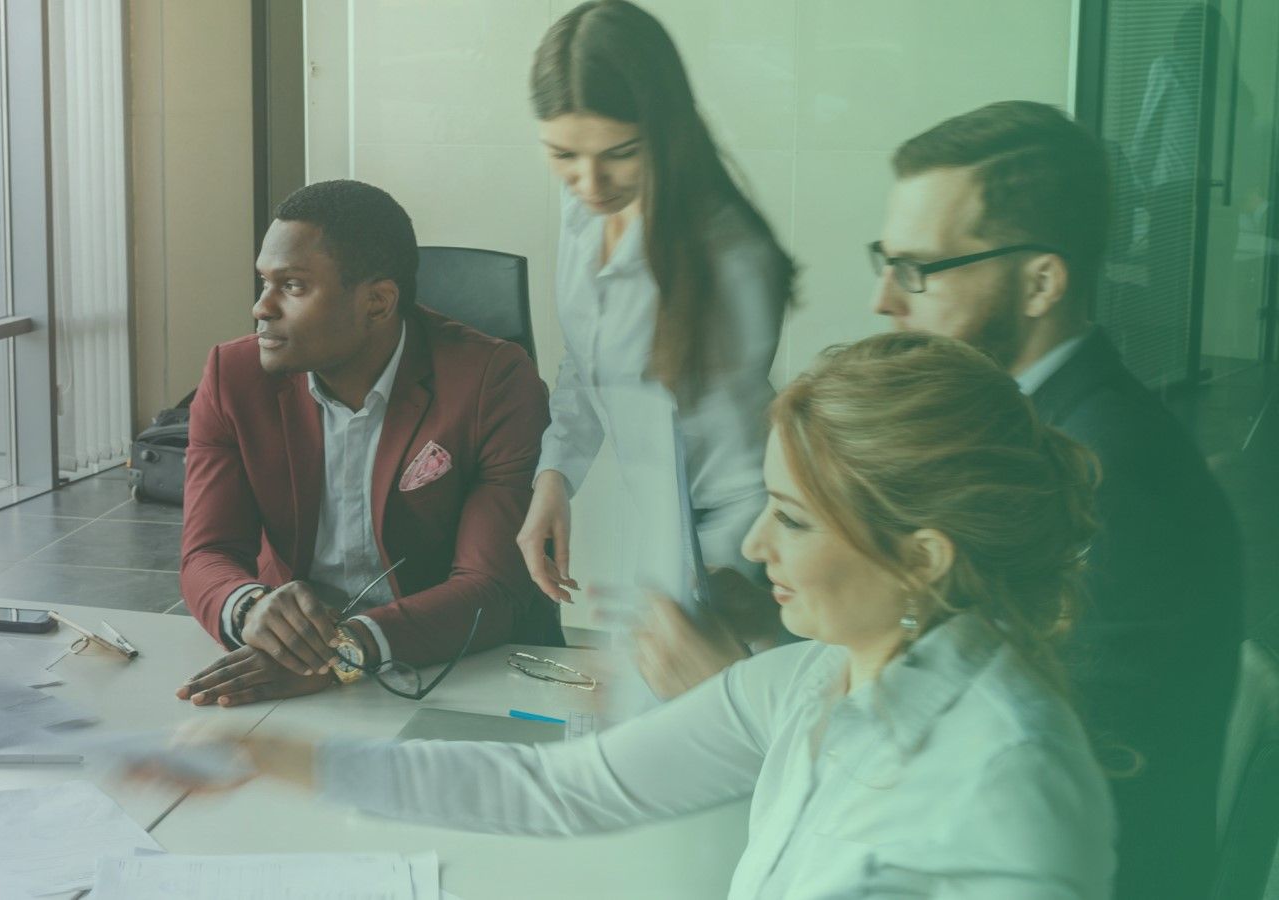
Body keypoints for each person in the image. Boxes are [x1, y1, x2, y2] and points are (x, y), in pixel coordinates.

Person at [140, 333, 1119, 898]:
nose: (755, 547)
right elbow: (562, 787)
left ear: (922, 558)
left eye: (791, 519)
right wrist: (288, 760)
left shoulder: (1011, 789)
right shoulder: (811, 680)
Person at [871, 100, 1242, 899]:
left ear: (1040, 282)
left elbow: (1082, 762)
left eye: (918, 269)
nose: (885, 300)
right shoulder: (1025, 427)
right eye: (885, 261)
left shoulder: (1113, 476)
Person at [176, 179, 558, 708]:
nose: (261, 308)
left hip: (452, 665)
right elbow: (208, 552)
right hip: (295, 667)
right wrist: (250, 609)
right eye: (264, 282)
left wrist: (346, 651)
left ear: (377, 303)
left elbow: (491, 586)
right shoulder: (233, 377)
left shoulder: (493, 381)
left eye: (292, 286)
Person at [512, 0, 794, 690]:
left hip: (731, 560)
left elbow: (736, 471)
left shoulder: (730, 257)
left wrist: (702, 597)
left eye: (620, 154)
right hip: (662, 545)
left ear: (665, 134)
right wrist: (555, 479)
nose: (589, 183)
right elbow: (586, 364)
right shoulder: (585, 210)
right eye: (563, 155)